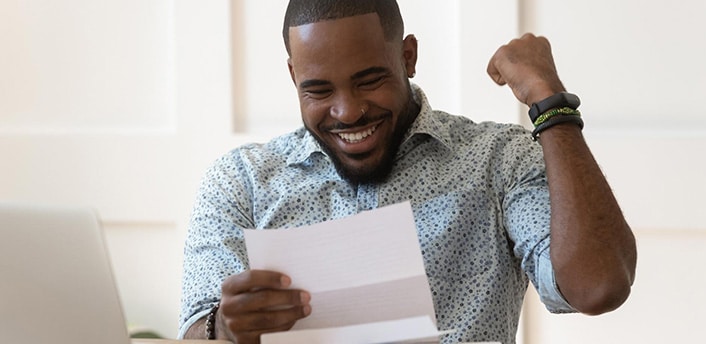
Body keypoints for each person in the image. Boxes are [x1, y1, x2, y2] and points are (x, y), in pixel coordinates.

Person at [179, 1, 637, 343]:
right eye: (318, 90)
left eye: (369, 80)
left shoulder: (498, 160)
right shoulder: (241, 183)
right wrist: (223, 328)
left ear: (408, 57)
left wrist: (550, 103)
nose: (348, 111)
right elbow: (195, 331)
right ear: (293, 75)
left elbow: (598, 286)